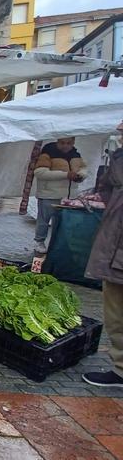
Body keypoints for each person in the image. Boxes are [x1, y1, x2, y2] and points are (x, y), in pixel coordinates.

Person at [83, 120, 123, 388]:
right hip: (115, 247)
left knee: (117, 310)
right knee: (115, 308)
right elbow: (110, 187)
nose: (119, 128)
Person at [33, 137, 86, 254]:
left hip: (68, 197)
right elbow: (39, 172)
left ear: (73, 143)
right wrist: (65, 175)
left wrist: (81, 175)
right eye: (62, 143)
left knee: (62, 223)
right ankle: (39, 242)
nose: (66, 146)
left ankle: (56, 244)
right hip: (48, 194)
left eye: (69, 143)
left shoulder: (75, 154)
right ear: (57, 142)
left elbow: (83, 168)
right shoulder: (47, 153)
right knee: (43, 221)